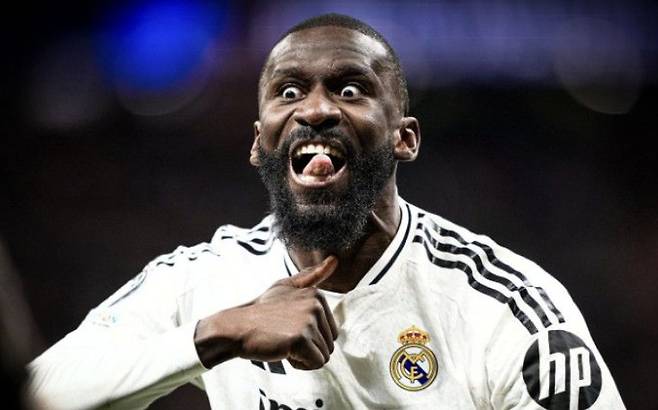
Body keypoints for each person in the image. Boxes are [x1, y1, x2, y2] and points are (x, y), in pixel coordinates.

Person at [28, 13, 625, 410]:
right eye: (288, 92)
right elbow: (39, 391)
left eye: (350, 89)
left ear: (404, 138)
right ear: (259, 142)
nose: (315, 111)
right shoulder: (208, 280)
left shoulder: (504, 306)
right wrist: (218, 333)